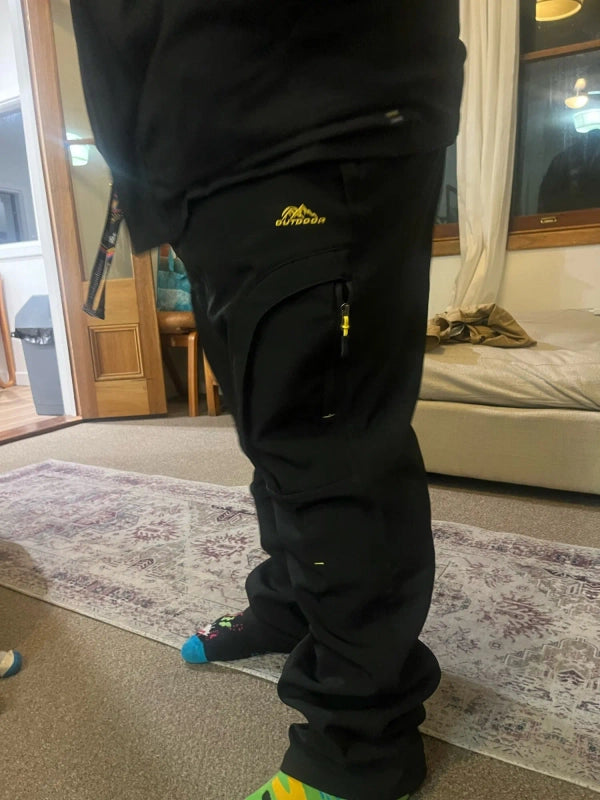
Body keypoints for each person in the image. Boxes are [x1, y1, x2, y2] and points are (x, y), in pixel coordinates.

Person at [70, 3, 465, 798]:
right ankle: (291, 603)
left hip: (312, 102)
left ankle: (362, 743)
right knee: (272, 428)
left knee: (331, 439)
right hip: (202, 154)